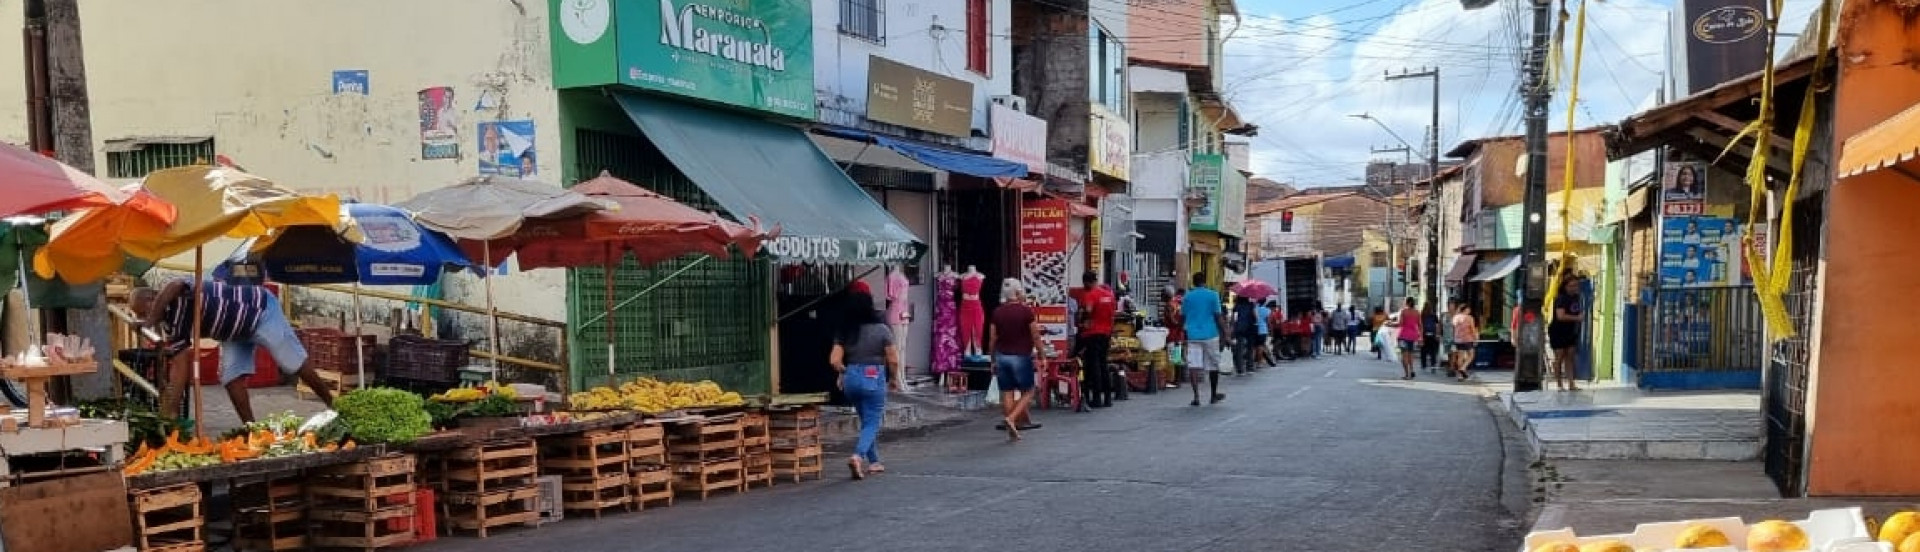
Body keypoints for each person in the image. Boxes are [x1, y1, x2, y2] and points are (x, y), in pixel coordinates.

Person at [134, 279, 336, 424]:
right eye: (140, 315)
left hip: (259, 311)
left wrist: (150, 320)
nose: (144, 317)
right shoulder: (172, 324)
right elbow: (179, 365)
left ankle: (333, 404)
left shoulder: (176, 293)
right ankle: (251, 429)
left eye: (144, 311)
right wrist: (171, 411)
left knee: (291, 362)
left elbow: (174, 284)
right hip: (233, 334)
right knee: (231, 378)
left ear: (153, 298)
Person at [830, 292, 899, 479]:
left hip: (851, 378)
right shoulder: (882, 330)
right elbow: (893, 359)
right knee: (872, 421)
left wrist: (844, 372)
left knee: (866, 420)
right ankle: (858, 456)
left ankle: (874, 461)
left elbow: (834, 360)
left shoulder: (845, 330)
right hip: (873, 375)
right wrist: (893, 379)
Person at [989, 278, 1042, 440]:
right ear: (1018, 293)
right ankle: (1012, 418)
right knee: (1029, 390)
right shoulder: (1026, 311)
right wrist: (1042, 355)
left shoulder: (997, 312)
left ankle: (1012, 428)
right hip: (1021, 356)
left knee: (1007, 392)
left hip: (1002, 356)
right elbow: (1035, 335)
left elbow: (992, 338)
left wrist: (992, 359)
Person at [1179, 272, 1231, 406]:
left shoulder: (1187, 297)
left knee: (1194, 366)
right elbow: (1218, 317)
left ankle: (1196, 397)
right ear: (1205, 281)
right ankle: (1213, 395)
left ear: (1193, 282)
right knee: (1213, 365)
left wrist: (1180, 331)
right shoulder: (1213, 295)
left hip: (1192, 335)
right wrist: (1226, 333)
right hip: (1210, 334)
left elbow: (1182, 317)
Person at [1070, 271, 1118, 408]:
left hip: (1092, 334)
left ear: (1086, 282)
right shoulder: (1109, 295)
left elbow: (1087, 312)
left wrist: (1081, 318)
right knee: (1103, 364)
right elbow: (1112, 315)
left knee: (1094, 365)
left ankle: (1096, 397)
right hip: (1106, 333)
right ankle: (1108, 398)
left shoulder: (1091, 295)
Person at [1549, 277, 1587, 391]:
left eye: (1576, 285)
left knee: (1570, 356)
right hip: (1558, 331)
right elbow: (1560, 316)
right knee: (1559, 356)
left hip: (1571, 331)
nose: (1574, 288)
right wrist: (1577, 318)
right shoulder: (1561, 299)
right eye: (1571, 286)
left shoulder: (1577, 298)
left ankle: (1571, 383)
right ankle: (1559, 384)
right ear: (1565, 287)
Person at [1450, 302, 1479, 381]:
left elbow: (1453, 328)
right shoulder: (1469, 318)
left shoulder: (1455, 317)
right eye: (1468, 309)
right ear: (1465, 309)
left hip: (1458, 339)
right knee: (1471, 355)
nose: (1469, 310)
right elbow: (1472, 329)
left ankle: (1460, 376)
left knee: (1460, 357)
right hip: (1467, 339)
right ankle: (1463, 368)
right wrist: (1475, 337)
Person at [1395, 298, 1422, 380]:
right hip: (1413, 336)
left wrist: (1389, 324)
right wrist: (1421, 337)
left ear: (1406, 302)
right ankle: (1412, 370)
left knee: (1404, 356)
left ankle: (1407, 374)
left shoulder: (1403, 311)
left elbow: (1400, 323)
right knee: (1411, 355)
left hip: (1403, 335)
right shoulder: (1417, 312)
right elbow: (1420, 325)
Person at [1252, 299, 1274, 368]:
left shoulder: (1254, 308)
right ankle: (1259, 363)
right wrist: (1271, 330)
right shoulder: (1267, 310)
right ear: (1265, 302)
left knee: (1254, 347)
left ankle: (1251, 363)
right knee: (1260, 347)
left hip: (1254, 329)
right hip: (1263, 330)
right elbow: (1268, 322)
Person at [1420, 305, 1442, 372]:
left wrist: (1420, 336)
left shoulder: (1422, 316)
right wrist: (1437, 335)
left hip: (1424, 335)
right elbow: (1437, 326)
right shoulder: (1434, 316)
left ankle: (1424, 365)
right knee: (1433, 351)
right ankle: (1433, 365)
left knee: (1423, 351)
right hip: (1433, 335)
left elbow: (1420, 326)